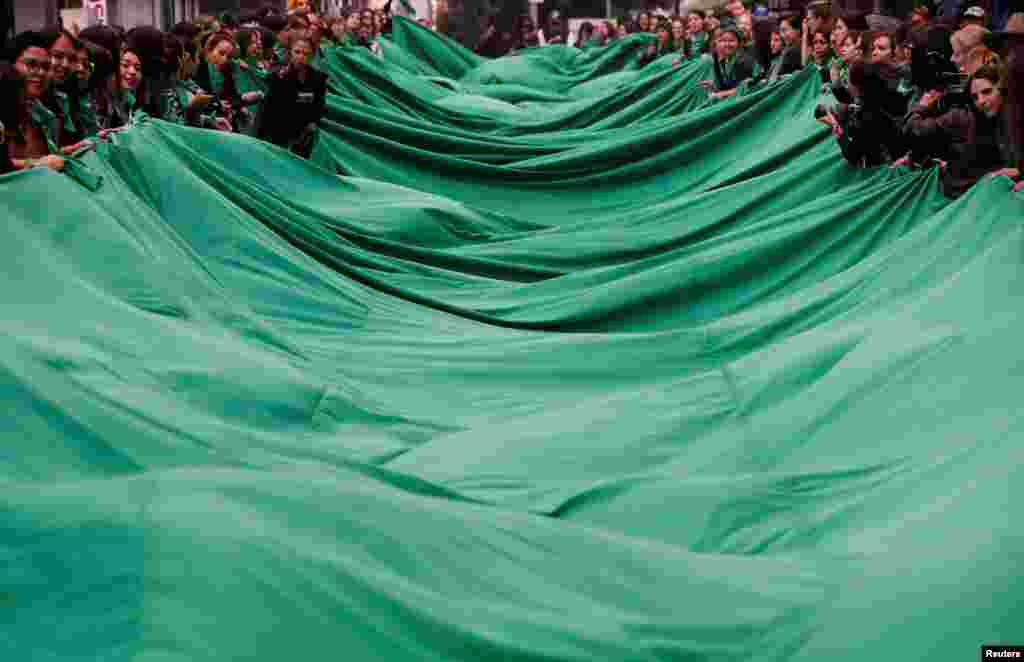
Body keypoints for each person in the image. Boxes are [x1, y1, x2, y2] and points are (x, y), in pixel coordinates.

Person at [3, 31, 65, 172]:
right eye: (31, 65)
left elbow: (44, 157)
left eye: (46, 67)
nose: (41, 73)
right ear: (10, 65)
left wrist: (71, 151)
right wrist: (34, 164)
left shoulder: (43, 110)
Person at [257, 34, 325, 158]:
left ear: (311, 56)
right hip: (278, 130)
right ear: (290, 52)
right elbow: (270, 107)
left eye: (306, 54)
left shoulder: (318, 78)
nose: (301, 57)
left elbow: (319, 104)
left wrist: (314, 122)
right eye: (297, 52)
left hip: (303, 133)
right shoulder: (279, 74)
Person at [703, 23, 756, 100]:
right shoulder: (723, 60)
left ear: (739, 43)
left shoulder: (744, 61)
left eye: (731, 40)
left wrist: (719, 94)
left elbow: (745, 88)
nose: (727, 44)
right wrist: (712, 87)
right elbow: (726, 87)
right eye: (723, 41)